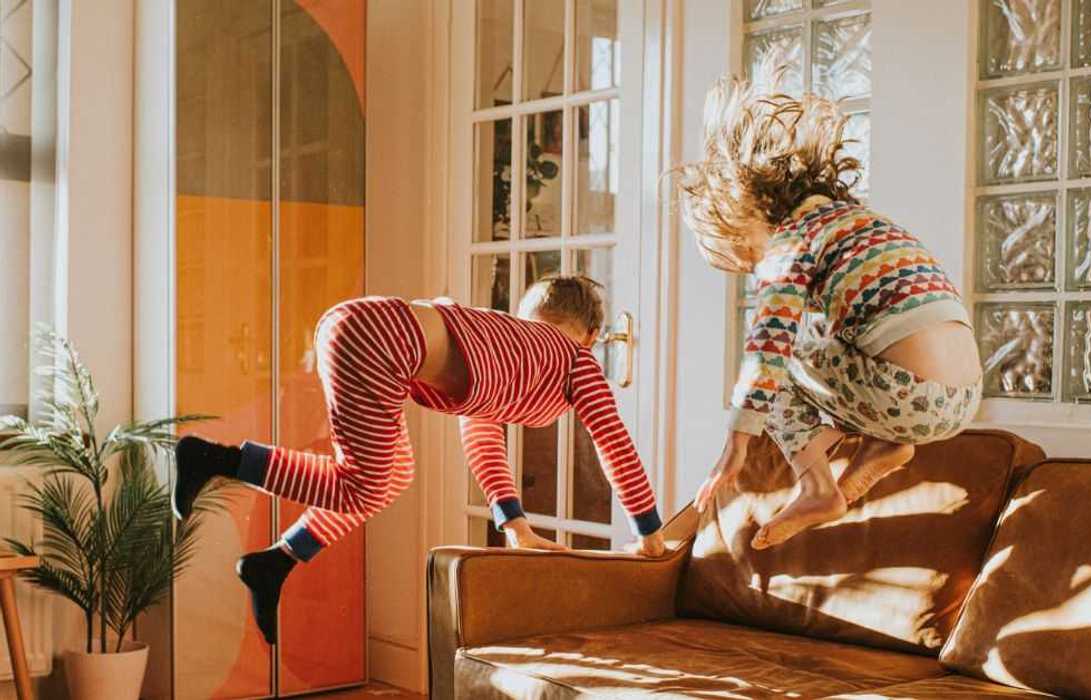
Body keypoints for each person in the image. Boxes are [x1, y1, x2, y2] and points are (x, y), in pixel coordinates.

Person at [172, 276, 665, 644]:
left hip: (359, 328)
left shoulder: (511, 346)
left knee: (391, 476)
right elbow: (613, 443)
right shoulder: (574, 359)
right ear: (593, 334)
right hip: (381, 339)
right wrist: (649, 535)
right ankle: (213, 459)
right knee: (363, 483)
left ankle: (276, 562)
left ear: (527, 312)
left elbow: (481, 436)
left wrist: (512, 522)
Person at [676, 56, 983, 550]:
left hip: (906, 394)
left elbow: (767, 346)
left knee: (781, 348)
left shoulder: (792, 239)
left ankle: (818, 486)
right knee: (830, 329)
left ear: (745, 208)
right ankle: (885, 443)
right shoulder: (858, 223)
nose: (758, 268)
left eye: (749, 255)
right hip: (964, 398)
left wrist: (738, 437)